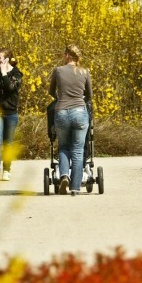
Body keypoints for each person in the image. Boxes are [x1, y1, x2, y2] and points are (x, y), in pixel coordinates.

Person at [49, 44, 93, 196]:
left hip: (61, 111)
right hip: (80, 112)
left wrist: (60, 98)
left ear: (67, 55)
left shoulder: (58, 71)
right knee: (78, 150)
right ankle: (75, 187)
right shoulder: (84, 71)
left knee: (63, 147)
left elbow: (51, 91)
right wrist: (80, 100)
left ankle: (64, 176)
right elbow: (90, 95)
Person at [0, 47, 23, 182]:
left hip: (11, 113)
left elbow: (10, 88)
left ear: (7, 59)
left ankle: (7, 170)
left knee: (8, 144)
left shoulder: (17, 74)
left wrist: (4, 73)